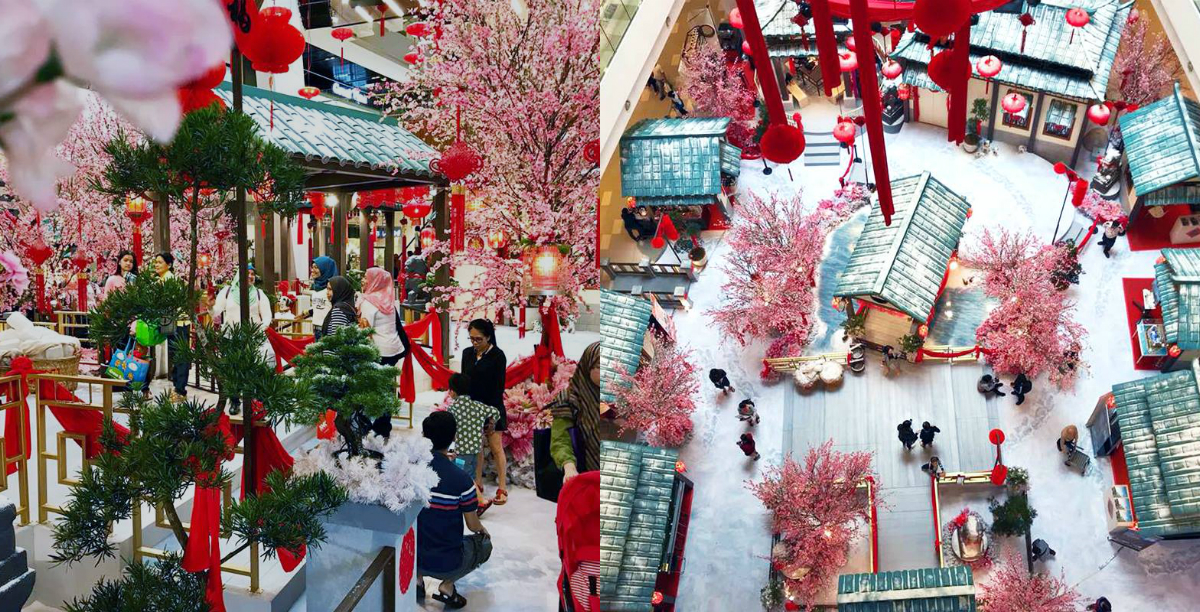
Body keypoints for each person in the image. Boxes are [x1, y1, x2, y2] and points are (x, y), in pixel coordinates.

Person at [416, 411, 492, 609]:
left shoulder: (412, 469)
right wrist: (482, 530)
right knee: (484, 545)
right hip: (447, 561)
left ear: (424, 436)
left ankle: (417, 580)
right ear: (453, 437)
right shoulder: (461, 479)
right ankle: (447, 586)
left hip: (415, 555)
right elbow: (472, 524)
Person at [462, 319, 509, 506]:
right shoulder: (467, 354)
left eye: (478, 339)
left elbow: (498, 387)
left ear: (488, 337)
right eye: (471, 339)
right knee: (477, 447)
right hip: (473, 409)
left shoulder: (498, 356)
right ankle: (478, 484)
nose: (474, 343)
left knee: (496, 447)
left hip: (492, 407)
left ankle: (502, 487)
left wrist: (492, 416)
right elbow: (464, 382)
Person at [550, 342, 601, 484]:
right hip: (586, 477)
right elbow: (560, 438)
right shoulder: (570, 399)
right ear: (586, 366)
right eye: (600, 367)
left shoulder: (620, 396)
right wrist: (569, 466)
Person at [447, 373, 500, 495]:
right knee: (471, 474)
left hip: (460, 452)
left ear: (453, 392)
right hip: (476, 451)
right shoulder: (478, 406)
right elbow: (495, 412)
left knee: (463, 478)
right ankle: (474, 499)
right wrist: (491, 424)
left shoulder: (452, 409)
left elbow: (449, 427)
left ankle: (477, 501)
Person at [153, 252, 191, 402]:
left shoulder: (169, 280)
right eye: (155, 262)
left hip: (179, 322)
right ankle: (177, 387)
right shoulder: (161, 280)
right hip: (169, 321)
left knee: (181, 357)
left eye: (160, 262)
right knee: (175, 355)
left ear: (168, 265)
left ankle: (180, 390)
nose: (156, 265)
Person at [357, 266, 411, 367]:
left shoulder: (369, 302)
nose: (362, 281)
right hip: (394, 347)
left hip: (379, 350)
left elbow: (365, 331)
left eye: (365, 278)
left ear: (375, 281)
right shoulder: (388, 300)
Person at [308, 256, 338, 339]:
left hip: (328, 330)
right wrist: (305, 313)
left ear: (325, 269)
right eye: (312, 267)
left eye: (316, 267)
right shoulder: (316, 287)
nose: (312, 270)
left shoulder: (332, 289)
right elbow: (320, 306)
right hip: (316, 329)